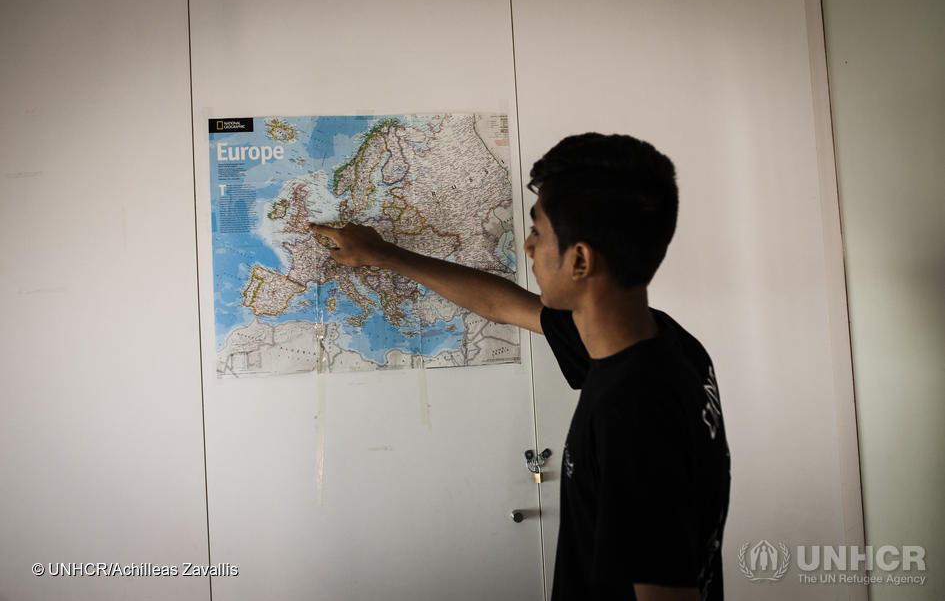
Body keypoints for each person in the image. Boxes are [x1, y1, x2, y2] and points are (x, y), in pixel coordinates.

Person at [311, 133, 731, 601]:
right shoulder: (660, 342)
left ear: (580, 259)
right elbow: (500, 304)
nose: (527, 247)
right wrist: (383, 255)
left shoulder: (634, 411)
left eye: (539, 232)